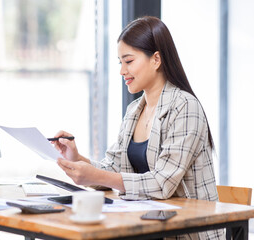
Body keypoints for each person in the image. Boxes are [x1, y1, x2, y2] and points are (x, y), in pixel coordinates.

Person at [52, 16, 224, 239]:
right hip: (150, 229)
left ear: (156, 60)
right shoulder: (134, 110)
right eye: (120, 62)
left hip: (189, 234)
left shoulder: (185, 106)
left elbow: (163, 183)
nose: (122, 71)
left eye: (129, 61)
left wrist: (96, 176)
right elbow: (112, 169)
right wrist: (77, 159)